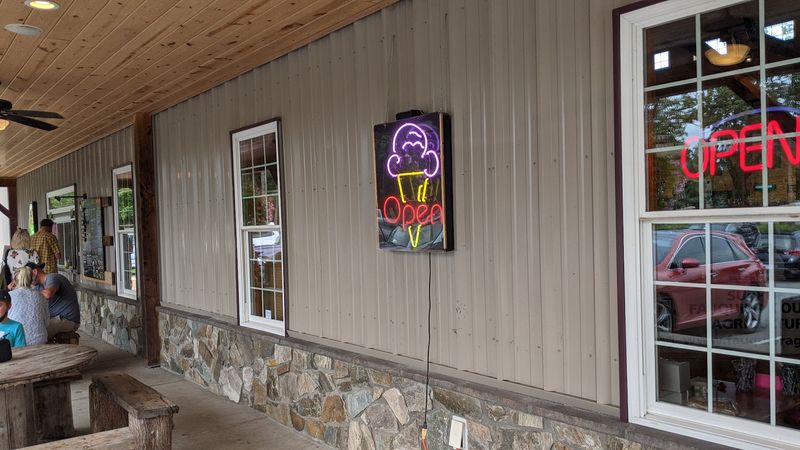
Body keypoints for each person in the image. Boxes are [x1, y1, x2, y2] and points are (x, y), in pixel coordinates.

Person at [27, 262, 79, 339]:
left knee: (37, 334)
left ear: (35, 271)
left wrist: (29, 293)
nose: (27, 278)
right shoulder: (37, 287)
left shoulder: (53, 277)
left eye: (28, 275)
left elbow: (48, 294)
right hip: (54, 319)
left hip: (67, 319)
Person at [7, 266, 49, 345]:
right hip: (39, 340)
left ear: (15, 280)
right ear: (32, 279)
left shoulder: (9, 296)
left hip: (16, 342)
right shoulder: (40, 296)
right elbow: (47, 322)